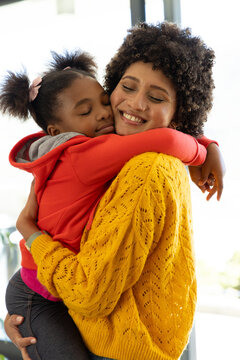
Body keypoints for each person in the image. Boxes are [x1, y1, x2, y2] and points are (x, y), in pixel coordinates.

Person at [4, 22, 225, 360]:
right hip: (55, 302)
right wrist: (206, 147)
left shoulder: (147, 168)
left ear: (178, 112)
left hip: (109, 337)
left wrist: (31, 234)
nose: (132, 105)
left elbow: (88, 292)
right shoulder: (105, 150)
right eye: (126, 87)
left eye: (155, 97)